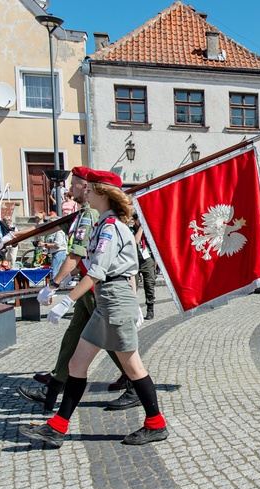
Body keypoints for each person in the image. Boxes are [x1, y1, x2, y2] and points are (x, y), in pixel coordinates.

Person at [19, 169, 168, 447]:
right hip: (106, 301)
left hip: (114, 300)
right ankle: (57, 427)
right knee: (77, 364)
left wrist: (67, 300)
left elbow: (98, 271)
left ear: (103, 193)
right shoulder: (101, 224)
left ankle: (156, 424)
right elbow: (92, 264)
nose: (85, 191)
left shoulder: (110, 227)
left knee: (133, 368)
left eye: (90, 188)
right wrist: (60, 285)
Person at [19, 167, 134, 413]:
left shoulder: (94, 217)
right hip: (89, 284)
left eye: (75, 185)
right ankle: (53, 390)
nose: (69, 189)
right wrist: (15, 235)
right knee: (75, 336)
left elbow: (80, 256)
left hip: (94, 287)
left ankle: (136, 383)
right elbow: (51, 230)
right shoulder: (84, 214)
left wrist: (57, 289)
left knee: (110, 338)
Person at [131, 215, 156, 320]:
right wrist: (141, 228)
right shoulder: (131, 230)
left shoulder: (148, 231)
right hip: (135, 260)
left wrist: (155, 264)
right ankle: (133, 310)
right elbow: (135, 241)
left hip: (147, 260)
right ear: (134, 220)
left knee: (149, 284)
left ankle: (150, 308)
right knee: (133, 287)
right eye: (139, 220)